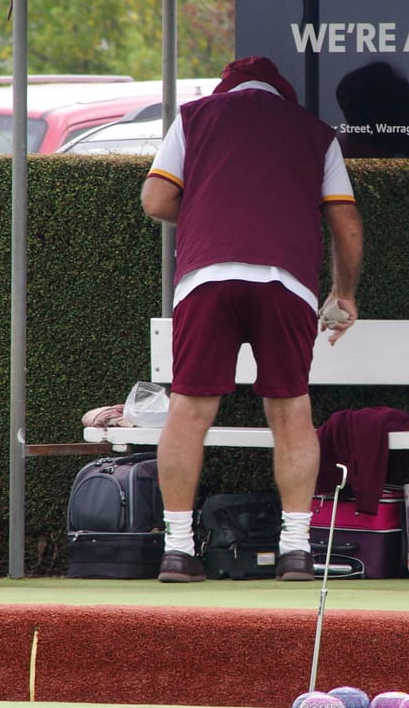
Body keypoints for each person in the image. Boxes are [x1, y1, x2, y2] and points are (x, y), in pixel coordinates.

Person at [140, 55, 363, 583]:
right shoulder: (314, 131)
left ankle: (176, 549)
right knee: (291, 412)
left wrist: (203, 212)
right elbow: (346, 221)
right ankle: (296, 550)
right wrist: (345, 293)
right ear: (281, 92)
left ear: (226, 89)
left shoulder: (194, 117)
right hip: (286, 282)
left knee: (189, 408)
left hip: (204, 280)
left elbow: (154, 199)